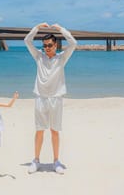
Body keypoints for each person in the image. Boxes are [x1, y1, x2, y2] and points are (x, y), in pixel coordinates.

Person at [24, 22, 77, 174]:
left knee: (54, 131)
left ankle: (56, 161)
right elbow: (27, 41)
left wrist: (61, 29)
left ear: (55, 45)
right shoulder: (39, 57)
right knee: (39, 130)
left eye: (49, 45)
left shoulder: (61, 58)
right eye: (45, 45)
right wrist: (37, 27)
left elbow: (73, 43)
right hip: (40, 98)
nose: (47, 48)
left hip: (56, 99)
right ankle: (36, 160)